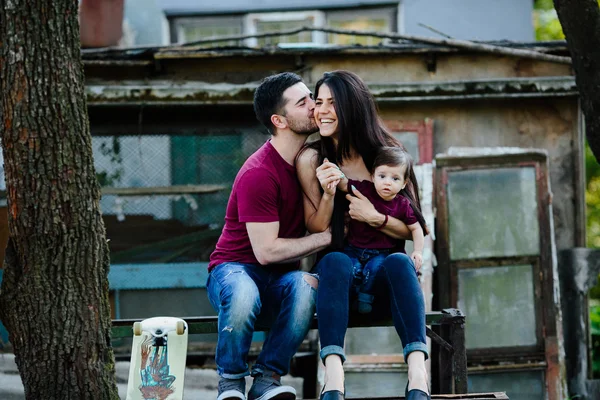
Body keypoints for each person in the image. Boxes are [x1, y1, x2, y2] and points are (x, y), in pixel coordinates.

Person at [296, 70, 431, 400]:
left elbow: (412, 224)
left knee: (400, 262)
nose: (322, 110)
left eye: (332, 103)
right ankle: (334, 378)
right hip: (338, 285)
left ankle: (418, 375)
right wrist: (329, 193)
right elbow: (314, 227)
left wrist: (376, 217)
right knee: (335, 262)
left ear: (352, 107)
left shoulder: (386, 156)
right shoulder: (312, 157)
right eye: (319, 102)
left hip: (384, 280)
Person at [208, 72, 331, 400]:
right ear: (279, 120)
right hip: (234, 270)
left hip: (279, 278)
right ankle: (231, 382)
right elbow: (266, 252)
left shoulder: (309, 162)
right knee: (244, 292)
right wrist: (325, 239)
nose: (314, 106)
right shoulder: (259, 173)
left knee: (307, 287)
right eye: (303, 102)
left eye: (312, 98)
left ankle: (266, 380)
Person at [333, 146, 426, 314]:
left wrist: (418, 251)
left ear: (404, 183)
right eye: (382, 176)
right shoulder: (365, 190)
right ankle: (351, 298)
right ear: (373, 176)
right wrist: (332, 171)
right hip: (354, 248)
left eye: (395, 178)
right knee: (351, 269)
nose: (387, 182)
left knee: (374, 270)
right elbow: (344, 184)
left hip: (381, 253)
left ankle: (365, 299)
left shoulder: (402, 205)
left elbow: (416, 228)